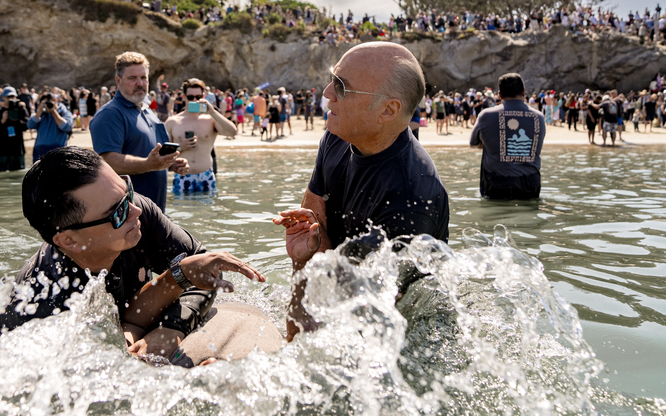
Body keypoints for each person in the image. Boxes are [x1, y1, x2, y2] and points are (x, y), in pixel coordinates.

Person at [0, 147, 271, 365]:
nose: (135, 210)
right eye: (117, 212)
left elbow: (203, 267)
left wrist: (172, 327)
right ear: (68, 240)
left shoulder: (135, 211)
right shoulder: (41, 301)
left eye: (127, 190)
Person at [272, 43, 450, 340]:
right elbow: (313, 220)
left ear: (388, 109)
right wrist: (303, 261)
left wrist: (319, 255)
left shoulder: (411, 203)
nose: (327, 93)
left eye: (341, 86)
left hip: (402, 341)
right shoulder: (338, 134)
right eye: (332, 79)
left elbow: (365, 337)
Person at [90, 52, 189, 212]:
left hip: (154, 213)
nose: (140, 83)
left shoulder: (148, 111)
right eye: (132, 78)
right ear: (118, 81)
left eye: (143, 78)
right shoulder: (110, 114)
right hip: (126, 217)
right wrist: (148, 164)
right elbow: (108, 161)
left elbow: (152, 157)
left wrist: (169, 165)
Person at [469, 73, 546, 199]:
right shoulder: (539, 117)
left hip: (496, 183)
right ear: (523, 91)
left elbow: (473, 143)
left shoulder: (486, 115)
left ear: (500, 94)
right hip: (530, 183)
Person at [164, 79, 238, 194]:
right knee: (181, 210)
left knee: (207, 211)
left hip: (206, 175)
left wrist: (212, 111)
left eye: (198, 97)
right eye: (190, 97)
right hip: (182, 176)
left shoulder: (210, 119)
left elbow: (233, 132)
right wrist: (180, 147)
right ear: (183, 96)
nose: (195, 100)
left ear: (203, 96)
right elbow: (164, 156)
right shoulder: (172, 122)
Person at [0, 86, 30, 171]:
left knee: (18, 172)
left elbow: (27, 126)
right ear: (3, 97)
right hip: (1, 150)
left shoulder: (21, 110)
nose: (11, 99)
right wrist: (2, 121)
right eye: (8, 97)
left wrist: (17, 120)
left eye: (13, 97)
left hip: (17, 149)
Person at [27, 91, 73, 161]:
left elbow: (67, 127)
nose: (48, 105)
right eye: (45, 103)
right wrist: (39, 112)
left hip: (58, 150)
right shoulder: (41, 114)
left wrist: (54, 112)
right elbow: (29, 125)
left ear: (56, 101)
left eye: (50, 102)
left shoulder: (64, 112)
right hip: (40, 150)